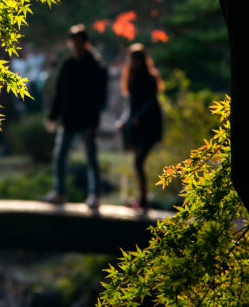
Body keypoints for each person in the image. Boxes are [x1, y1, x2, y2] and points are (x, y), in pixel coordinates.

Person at [44, 24, 108, 210]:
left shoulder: (95, 65)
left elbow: (99, 97)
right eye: (74, 42)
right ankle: (60, 191)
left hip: (87, 119)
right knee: (60, 155)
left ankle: (95, 194)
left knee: (91, 157)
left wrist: (94, 121)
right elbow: (60, 93)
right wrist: (53, 116)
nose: (77, 45)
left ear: (86, 43)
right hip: (69, 118)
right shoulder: (67, 64)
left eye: (80, 42)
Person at [119, 42, 164, 210]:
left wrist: (138, 116)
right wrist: (126, 119)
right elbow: (131, 104)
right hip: (137, 127)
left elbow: (151, 102)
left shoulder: (149, 78)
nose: (134, 62)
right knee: (137, 163)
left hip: (149, 126)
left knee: (138, 162)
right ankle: (142, 198)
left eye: (137, 59)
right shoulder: (132, 77)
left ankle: (144, 199)